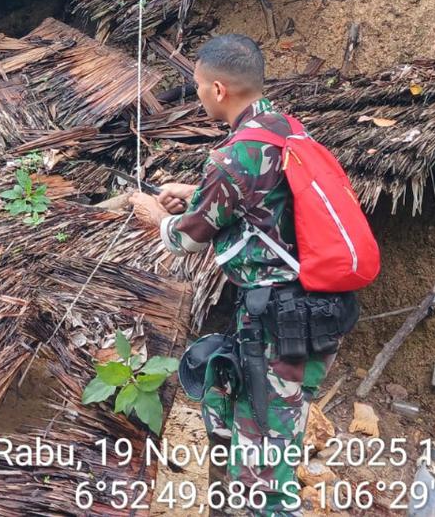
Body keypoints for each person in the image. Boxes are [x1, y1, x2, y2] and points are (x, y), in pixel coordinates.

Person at [130, 34, 352, 516]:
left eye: (197, 86)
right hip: (309, 315)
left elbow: (187, 239)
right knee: (242, 428)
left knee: (265, 471)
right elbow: (266, 203)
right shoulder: (287, 131)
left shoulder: (233, 157)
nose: (197, 95)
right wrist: (194, 190)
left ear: (218, 89)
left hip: (278, 328)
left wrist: (155, 215)